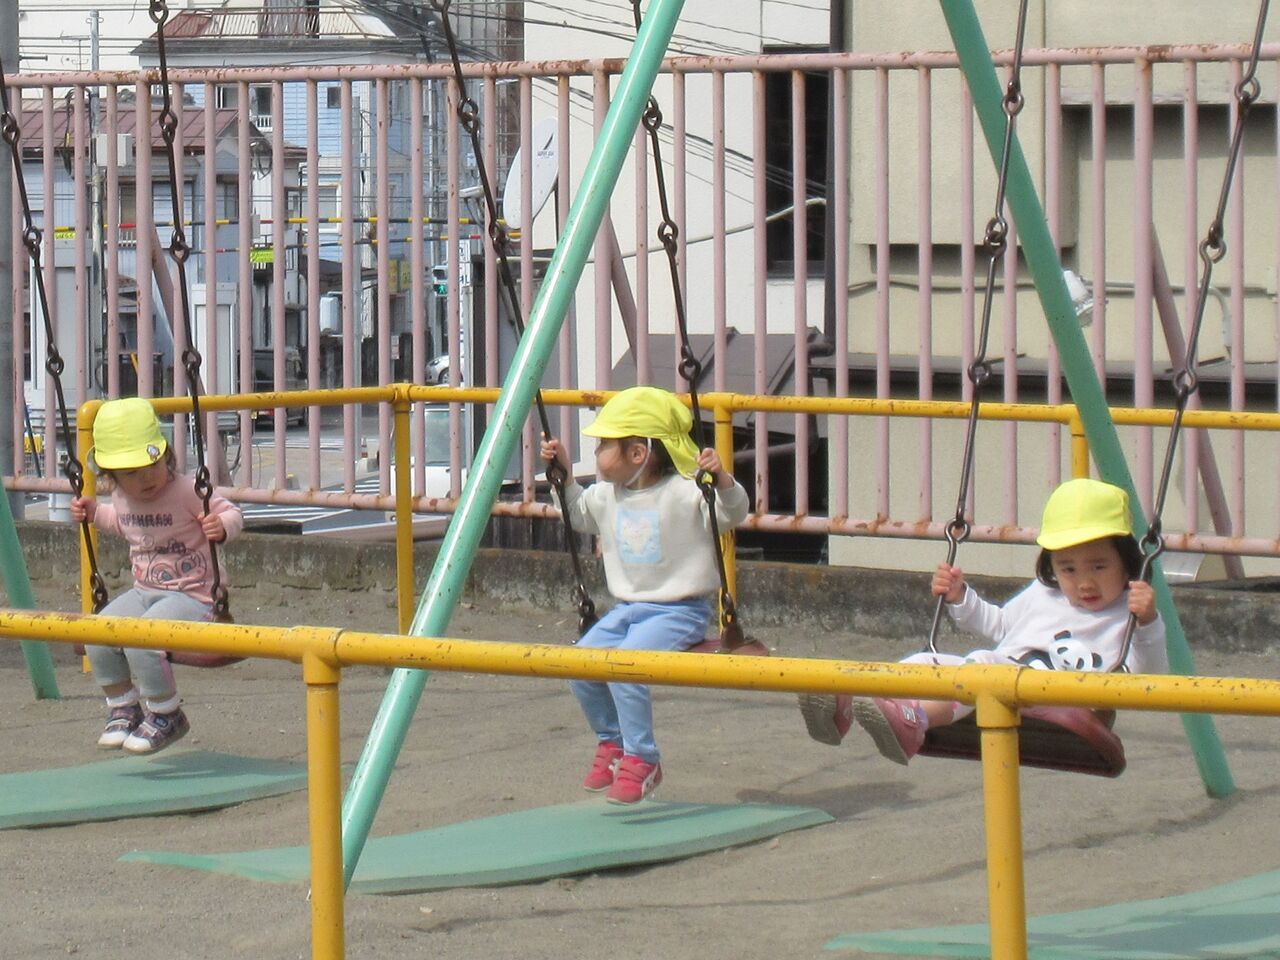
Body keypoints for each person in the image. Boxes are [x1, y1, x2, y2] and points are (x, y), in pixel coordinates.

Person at [799, 477, 1168, 764]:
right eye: (1067, 568)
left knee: (984, 665)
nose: (1084, 582)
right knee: (925, 663)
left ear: (1127, 561)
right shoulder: (1045, 594)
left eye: (1099, 566)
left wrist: (1149, 622)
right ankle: (848, 700)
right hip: (1001, 682)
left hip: (1059, 704)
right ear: (1051, 565)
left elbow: (1148, 677)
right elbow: (1000, 627)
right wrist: (963, 598)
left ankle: (917, 722)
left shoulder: (1129, 614)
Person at [540, 386, 751, 804]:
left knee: (625, 667)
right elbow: (577, 515)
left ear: (638, 454)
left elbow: (732, 512)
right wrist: (562, 475)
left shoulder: (686, 492)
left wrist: (722, 479)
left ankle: (643, 758)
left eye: (604, 445)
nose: (596, 452)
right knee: (578, 665)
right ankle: (613, 742)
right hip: (629, 610)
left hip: (680, 611)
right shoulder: (606, 496)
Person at [69, 397, 244, 754]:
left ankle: (166, 712)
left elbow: (233, 513)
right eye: (131, 473)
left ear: (166, 456)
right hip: (145, 591)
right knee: (96, 631)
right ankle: (123, 705)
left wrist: (221, 526)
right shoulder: (121, 497)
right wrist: (94, 514)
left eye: (153, 464)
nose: (146, 478)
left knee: (140, 637)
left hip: (194, 597)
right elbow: (123, 524)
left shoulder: (187, 489)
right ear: (110, 477)